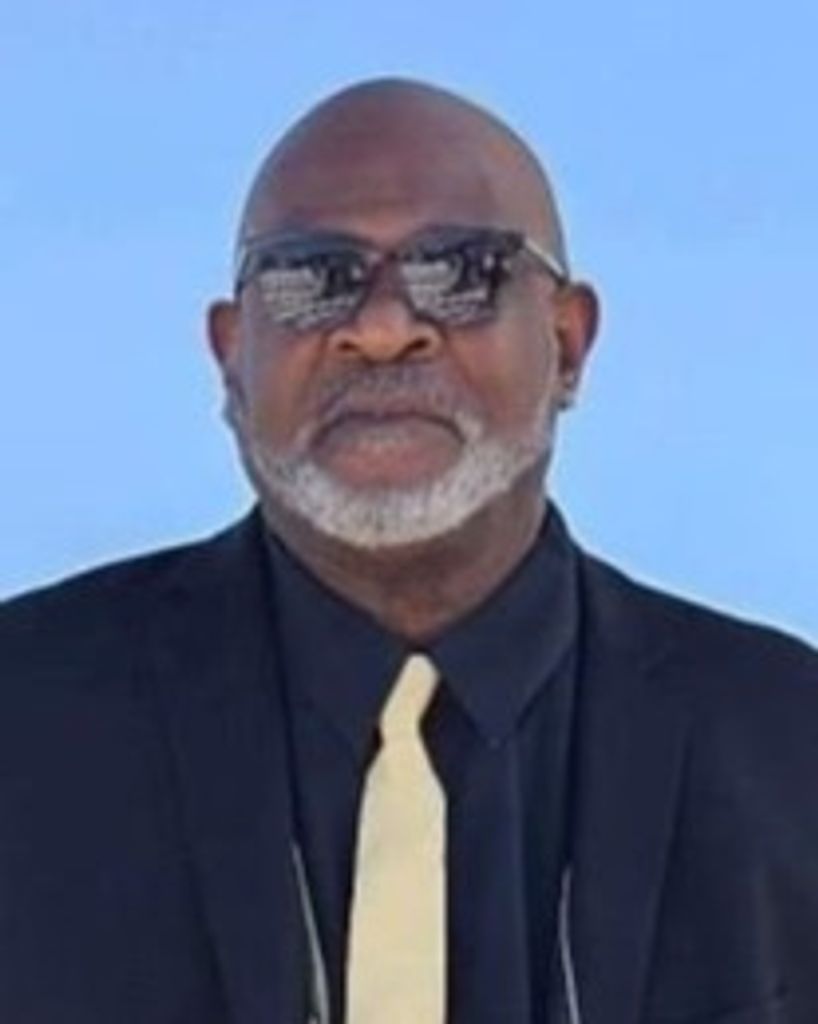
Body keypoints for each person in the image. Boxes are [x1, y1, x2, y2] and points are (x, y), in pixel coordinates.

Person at [1, 78, 816, 1024]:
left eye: (461, 271)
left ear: (567, 343)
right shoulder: (25, 722)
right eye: (310, 278)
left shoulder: (788, 749)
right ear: (231, 357)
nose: (383, 328)